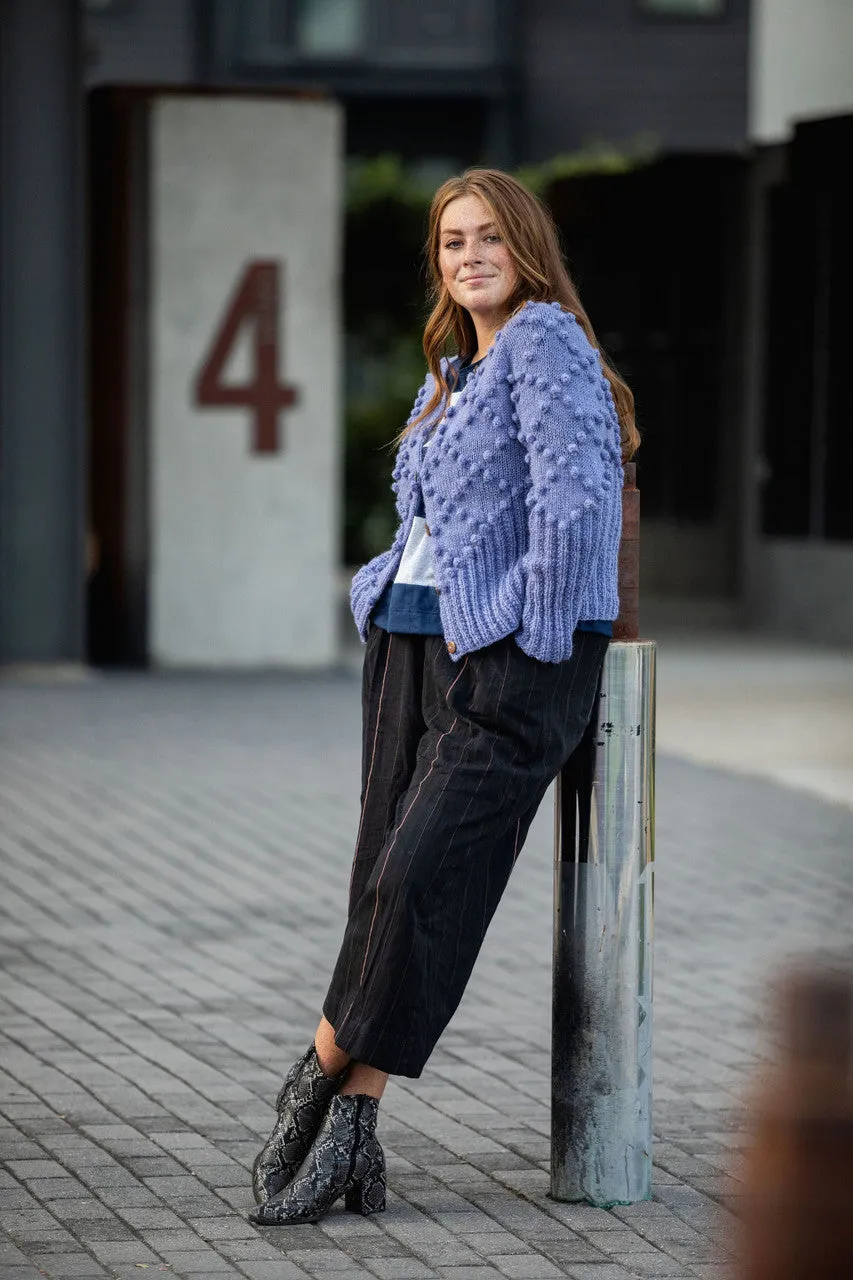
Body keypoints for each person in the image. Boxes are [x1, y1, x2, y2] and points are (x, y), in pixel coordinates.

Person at [249, 168, 639, 1227]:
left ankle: (310, 1080)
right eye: (450, 240)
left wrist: (533, 635)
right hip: (411, 647)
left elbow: (577, 504)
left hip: (506, 655)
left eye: (487, 238)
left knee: (418, 877)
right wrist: (377, 587)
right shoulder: (452, 370)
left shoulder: (545, 343)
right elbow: (433, 523)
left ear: (524, 246)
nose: (466, 255)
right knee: (381, 881)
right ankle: (356, 1134)